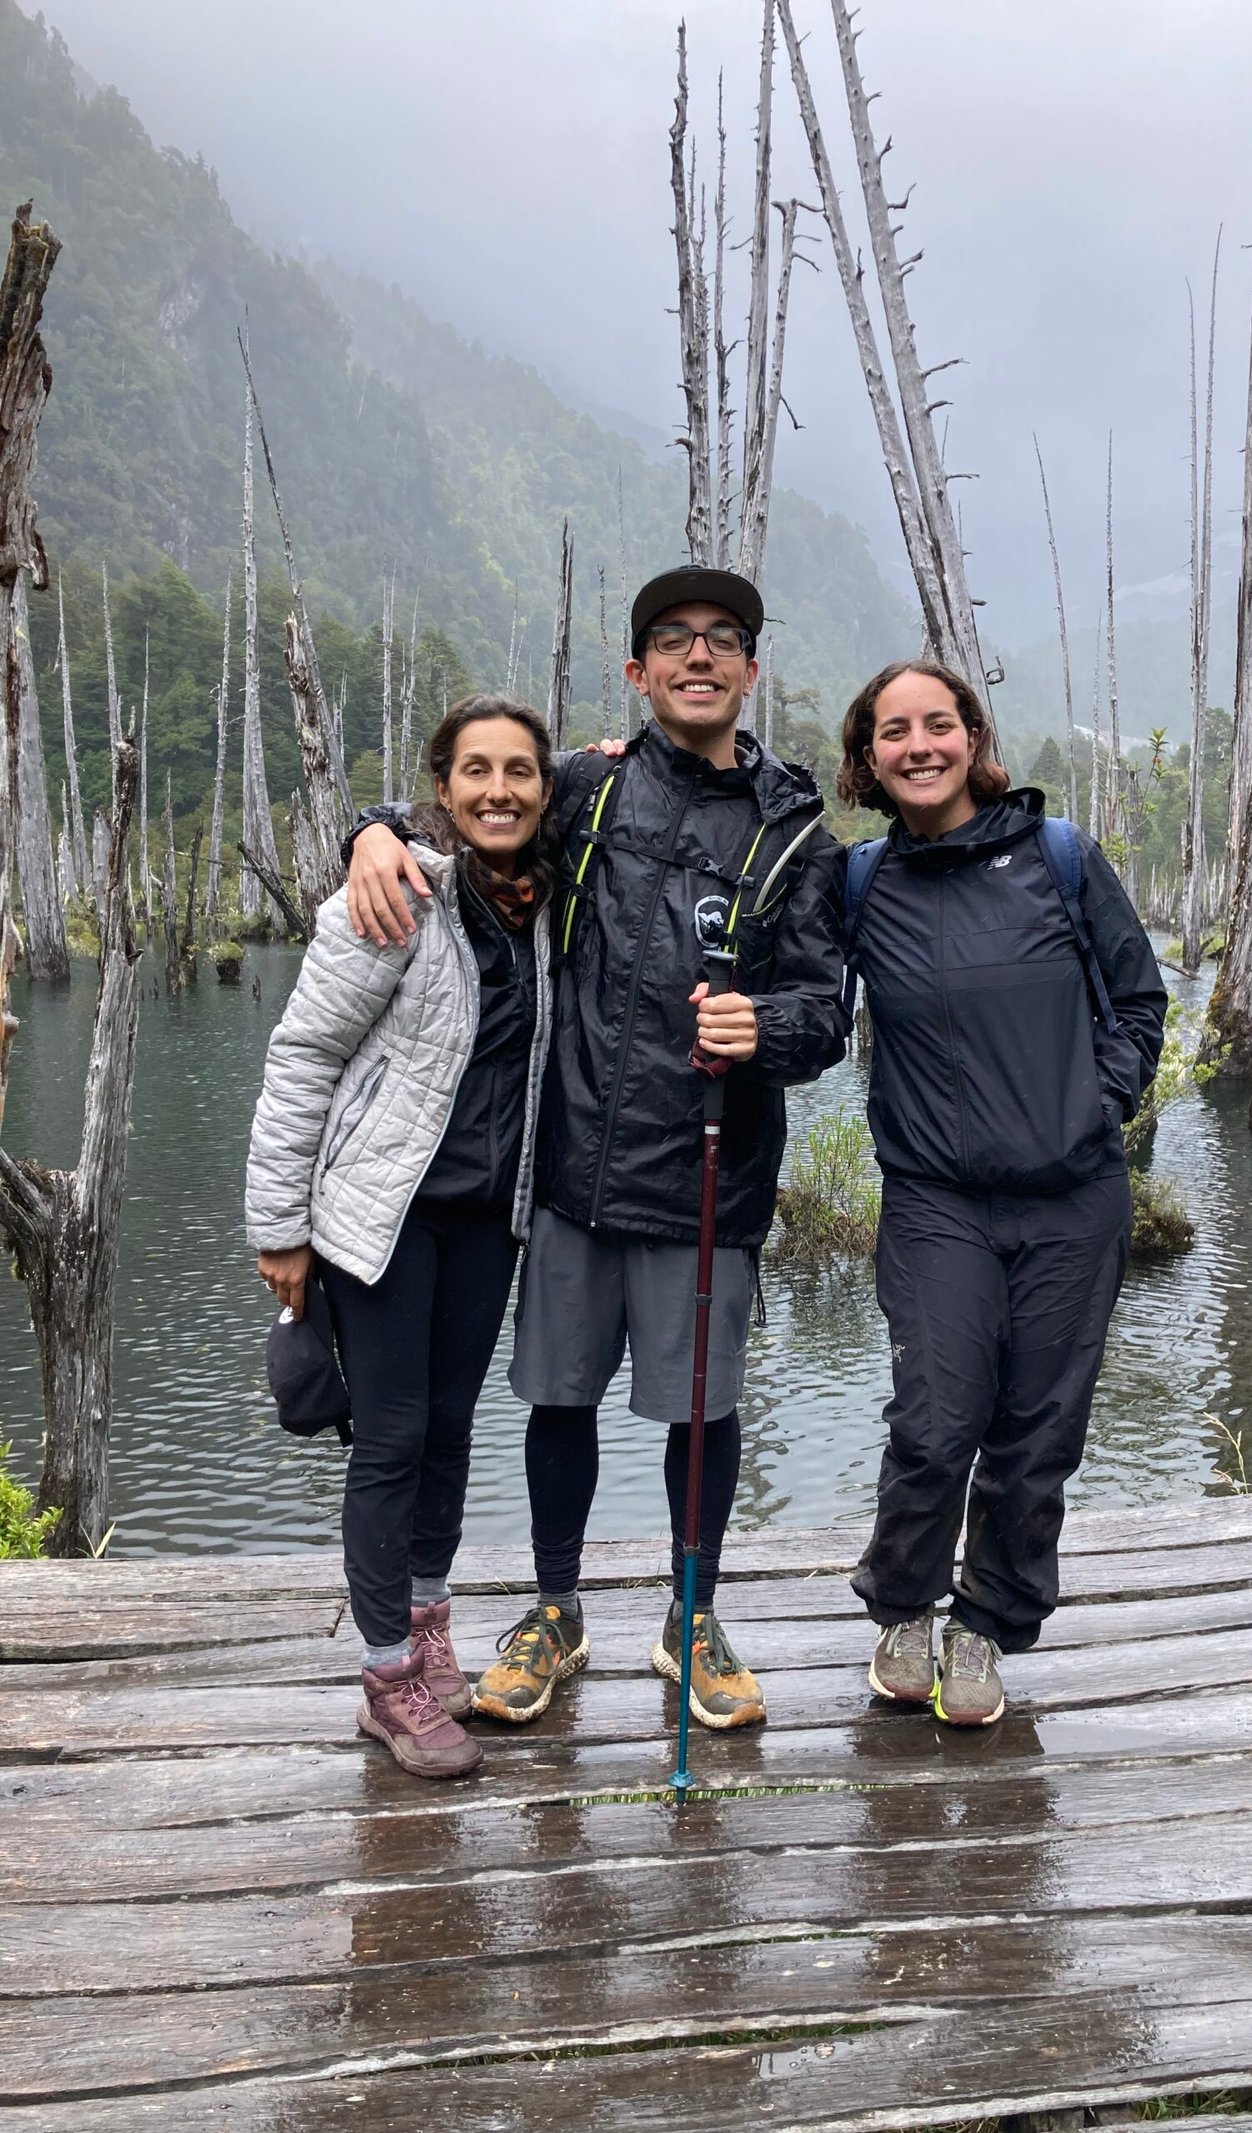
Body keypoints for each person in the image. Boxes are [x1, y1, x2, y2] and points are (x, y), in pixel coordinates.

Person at [344, 566, 848, 1732]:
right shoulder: (584, 789)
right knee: (555, 1400)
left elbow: (827, 1009)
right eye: (673, 640)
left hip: (709, 1179)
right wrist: (371, 832)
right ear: (637, 672)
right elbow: (470, 810)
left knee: (702, 1413)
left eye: (722, 639)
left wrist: (764, 1025)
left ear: (749, 669)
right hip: (569, 1168)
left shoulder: (796, 831)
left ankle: (691, 1616)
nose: (698, 656)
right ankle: (556, 1610)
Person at [836, 659, 1167, 1725]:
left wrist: (1092, 1105)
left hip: (1073, 1200)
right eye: (896, 731)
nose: (919, 745)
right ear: (869, 757)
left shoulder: (1059, 858)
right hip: (936, 1202)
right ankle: (903, 1607)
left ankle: (985, 1628)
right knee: (935, 1421)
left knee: (1036, 1435)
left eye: (939, 724)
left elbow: (1138, 997)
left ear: (973, 738)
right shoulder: (857, 883)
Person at [246, 695, 557, 1779]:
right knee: (388, 1439)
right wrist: (279, 1227)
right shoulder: (394, 897)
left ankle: (428, 1628)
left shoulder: (547, 908)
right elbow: (299, 1059)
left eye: (520, 770)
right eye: (475, 769)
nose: (498, 789)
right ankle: (385, 1677)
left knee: (451, 1429)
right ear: (441, 788)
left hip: (485, 1220)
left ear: (545, 791)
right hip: (378, 1220)